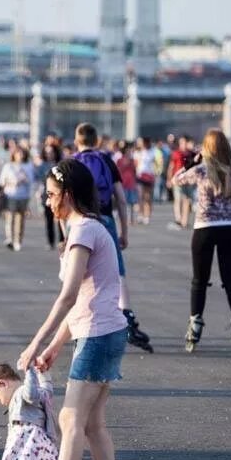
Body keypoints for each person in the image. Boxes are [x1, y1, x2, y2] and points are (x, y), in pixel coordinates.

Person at [17, 157, 129, 460]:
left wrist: (36, 343)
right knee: (93, 424)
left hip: (99, 335)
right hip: (100, 331)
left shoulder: (83, 230)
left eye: (50, 195)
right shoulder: (86, 229)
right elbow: (82, 300)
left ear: (67, 194)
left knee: (71, 418)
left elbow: (67, 297)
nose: (47, 202)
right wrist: (55, 346)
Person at [72, 123, 152, 353]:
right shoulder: (107, 160)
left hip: (80, 222)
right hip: (105, 220)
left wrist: (66, 235)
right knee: (117, 272)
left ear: (77, 140)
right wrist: (124, 232)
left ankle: (83, 324)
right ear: (96, 140)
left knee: (80, 275)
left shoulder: (72, 163)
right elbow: (121, 199)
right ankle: (128, 318)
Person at [172, 129, 231, 351]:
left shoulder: (200, 170)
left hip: (204, 228)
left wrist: (191, 162)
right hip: (228, 228)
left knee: (199, 281)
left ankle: (195, 326)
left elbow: (175, 180)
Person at [0, 146, 33, 251]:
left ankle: (18, 241)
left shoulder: (28, 166)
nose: (20, 155)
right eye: (18, 153)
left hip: (23, 196)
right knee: (10, 217)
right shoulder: (8, 166)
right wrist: (12, 182)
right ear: (14, 154)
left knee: (20, 219)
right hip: (10, 195)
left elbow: (31, 180)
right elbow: (2, 181)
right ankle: (10, 239)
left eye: (22, 153)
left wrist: (24, 178)